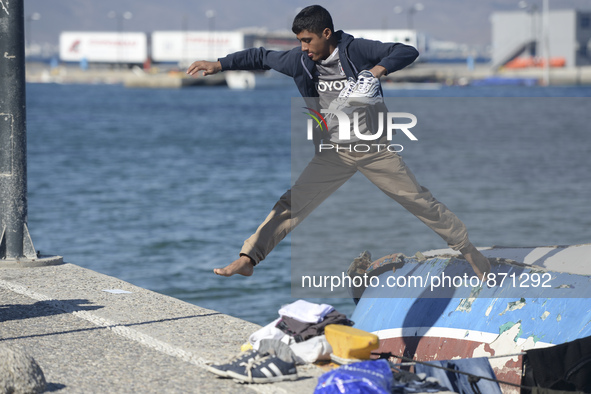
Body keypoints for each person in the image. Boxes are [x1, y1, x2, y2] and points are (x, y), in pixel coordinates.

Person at [187, 5, 491, 280]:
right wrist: (220, 64)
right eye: (300, 42)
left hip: (374, 149)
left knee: (419, 201)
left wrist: (374, 72)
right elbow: (260, 56)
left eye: (308, 40)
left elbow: (406, 50)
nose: (303, 48)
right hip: (334, 152)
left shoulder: (356, 50)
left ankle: (468, 250)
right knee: (290, 205)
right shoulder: (300, 61)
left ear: (326, 33)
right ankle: (248, 258)